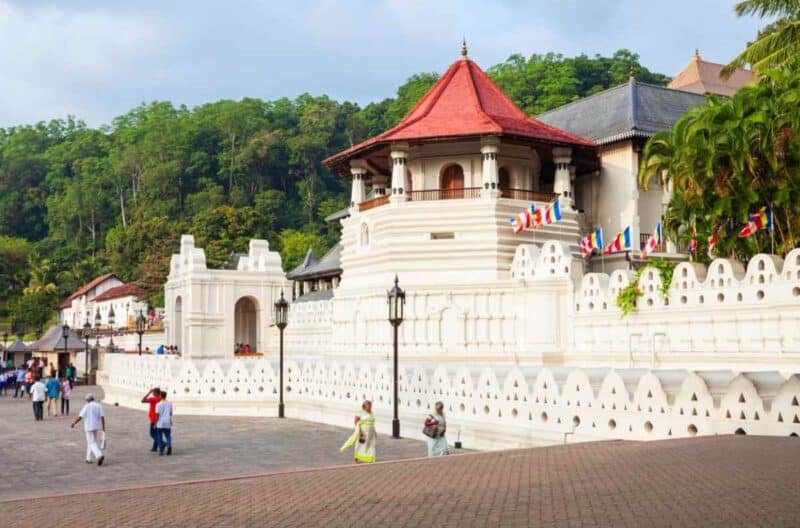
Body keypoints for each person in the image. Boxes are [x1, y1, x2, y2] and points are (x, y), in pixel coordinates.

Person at [71, 393, 105, 466]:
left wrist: (74, 423)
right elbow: (102, 417)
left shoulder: (86, 406)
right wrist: (103, 427)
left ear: (87, 400)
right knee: (91, 442)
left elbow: (80, 416)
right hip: (96, 426)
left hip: (89, 427)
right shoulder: (99, 405)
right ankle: (88, 458)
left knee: (91, 443)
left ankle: (99, 455)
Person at [141, 387, 161, 452]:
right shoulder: (161, 399)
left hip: (153, 418)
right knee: (157, 433)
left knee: (152, 434)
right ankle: (154, 448)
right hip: (160, 418)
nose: (152, 393)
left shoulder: (153, 399)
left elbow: (143, 400)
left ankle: (162, 443)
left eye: (153, 392)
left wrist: (149, 393)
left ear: (156, 392)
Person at [154, 390, 173, 456]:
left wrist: (155, 423)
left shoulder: (158, 404)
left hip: (160, 423)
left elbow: (157, 415)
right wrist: (170, 420)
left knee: (159, 437)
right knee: (168, 436)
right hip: (167, 421)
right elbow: (170, 413)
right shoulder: (170, 403)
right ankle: (169, 446)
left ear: (160, 396)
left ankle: (161, 450)